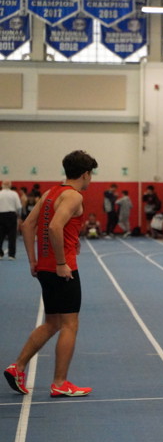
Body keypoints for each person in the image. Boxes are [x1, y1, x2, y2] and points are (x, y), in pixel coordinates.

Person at [4, 150, 99, 398]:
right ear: (85, 174)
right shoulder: (74, 196)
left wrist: (33, 260)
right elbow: (55, 227)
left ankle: (17, 367)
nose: (91, 179)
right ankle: (60, 382)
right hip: (63, 270)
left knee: (52, 323)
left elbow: (27, 225)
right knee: (70, 324)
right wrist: (61, 262)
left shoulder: (50, 193)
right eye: (91, 174)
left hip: (45, 268)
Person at [0, 180, 22, 259]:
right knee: (12, 236)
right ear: (10, 185)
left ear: (2, 185)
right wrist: (19, 216)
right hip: (11, 215)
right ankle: (11, 255)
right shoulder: (14, 194)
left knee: (0, 235)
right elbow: (19, 207)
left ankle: (0, 254)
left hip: (0, 215)